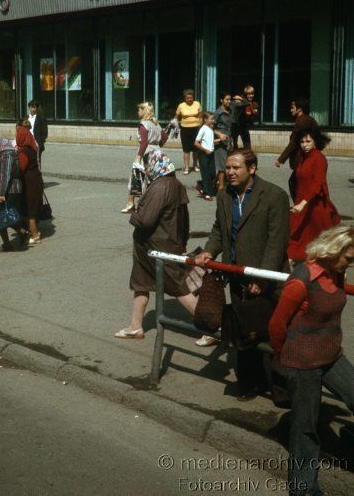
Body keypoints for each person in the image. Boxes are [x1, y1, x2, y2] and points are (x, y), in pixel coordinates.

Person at [195, 150, 290, 397]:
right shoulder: (225, 196)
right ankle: (249, 385)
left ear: (252, 168)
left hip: (267, 282)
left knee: (270, 334)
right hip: (237, 278)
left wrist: (261, 277)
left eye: (236, 167)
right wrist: (209, 251)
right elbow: (219, 229)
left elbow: (276, 243)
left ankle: (280, 390)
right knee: (243, 333)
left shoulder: (274, 196)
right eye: (228, 167)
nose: (230, 172)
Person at [268, 225, 354, 495]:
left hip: (331, 356)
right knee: (305, 429)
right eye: (348, 258)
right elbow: (277, 324)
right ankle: (303, 489)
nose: (350, 264)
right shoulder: (301, 279)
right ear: (333, 249)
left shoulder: (335, 272)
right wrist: (287, 358)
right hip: (302, 362)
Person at [114, 150, 197, 339]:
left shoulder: (159, 187)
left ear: (154, 165)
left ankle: (213, 327)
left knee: (178, 288)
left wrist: (133, 214)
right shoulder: (175, 184)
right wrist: (182, 241)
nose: (145, 171)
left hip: (157, 245)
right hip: (159, 244)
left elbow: (145, 220)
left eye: (146, 167)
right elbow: (184, 218)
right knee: (141, 283)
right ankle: (135, 325)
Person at [287, 128, 340, 262]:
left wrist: (303, 203)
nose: (304, 145)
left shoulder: (319, 158)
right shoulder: (303, 158)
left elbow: (318, 183)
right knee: (298, 236)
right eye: (302, 141)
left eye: (308, 141)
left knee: (318, 240)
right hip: (303, 203)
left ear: (315, 142)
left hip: (315, 206)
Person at [123, 102, 168, 213]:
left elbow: (144, 143)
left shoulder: (143, 124)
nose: (138, 112)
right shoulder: (156, 123)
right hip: (157, 152)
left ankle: (131, 204)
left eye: (139, 110)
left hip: (147, 152)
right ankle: (151, 204)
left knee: (136, 177)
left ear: (144, 111)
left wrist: (138, 157)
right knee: (152, 179)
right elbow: (165, 137)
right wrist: (158, 145)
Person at [275, 98, 319, 201]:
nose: (291, 110)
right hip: (310, 157)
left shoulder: (301, 122)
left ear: (299, 109)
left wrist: (281, 159)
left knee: (294, 183)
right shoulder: (310, 120)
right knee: (300, 183)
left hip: (302, 159)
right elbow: (319, 137)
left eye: (292, 107)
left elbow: (293, 143)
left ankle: (300, 207)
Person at [0, 136, 27, 252]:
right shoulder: (8, 153)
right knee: (6, 215)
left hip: (8, 189)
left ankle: (11, 241)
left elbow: (5, 175)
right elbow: (0, 166)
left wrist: (1, 193)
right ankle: (20, 233)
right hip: (11, 188)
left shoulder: (7, 155)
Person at [16, 119, 43, 244]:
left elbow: (20, 169)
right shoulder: (32, 147)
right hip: (36, 179)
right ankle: (32, 231)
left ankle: (35, 234)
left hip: (30, 182)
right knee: (33, 207)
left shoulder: (24, 152)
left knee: (30, 209)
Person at [175, 89, 203, 175]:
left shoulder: (197, 104)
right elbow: (176, 117)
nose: (190, 99)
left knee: (195, 149)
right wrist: (175, 125)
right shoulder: (181, 106)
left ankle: (195, 165)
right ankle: (186, 167)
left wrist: (201, 127)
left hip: (196, 129)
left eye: (191, 98)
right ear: (185, 98)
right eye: (188, 98)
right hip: (185, 129)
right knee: (186, 149)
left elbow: (200, 116)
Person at [193, 112, 218, 201]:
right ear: (205, 120)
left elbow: (210, 141)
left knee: (212, 174)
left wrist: (219, 140)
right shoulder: (203, 129)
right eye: (211, 119)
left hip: (211, 154)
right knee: (205, 174)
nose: (213, 120)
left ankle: (200, 184)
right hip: (203, 154)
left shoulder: (210, 129)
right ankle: (206, 193)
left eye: (213, 119)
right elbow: (196, 143)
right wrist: (205, 150)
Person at [212, 92, 233, 192]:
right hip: (220, 142)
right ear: (221, 100)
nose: (229, 101)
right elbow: (210, 127)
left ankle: (211, 183)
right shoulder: (218, 112)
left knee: (226, 163)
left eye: (230, 99)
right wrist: (219, 134)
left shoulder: (230, 111)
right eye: (227, 99)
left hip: (228, 140)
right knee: (221, 165)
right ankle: (221, 188)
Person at [230, 85, 259, 150]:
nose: (251, 95)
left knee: (247, 145)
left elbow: (255, 114)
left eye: (252, 94)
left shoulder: (254, 104)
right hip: (236, 126)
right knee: (234, 145)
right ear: (245, 94)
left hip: (244, 126)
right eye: (248, 94)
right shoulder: (240, 102)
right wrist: (241, 99)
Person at [27, 100, 48, 168]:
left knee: (37, 160)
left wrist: (40, 142)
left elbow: (45, 133)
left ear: (37, 108)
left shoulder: (41, 118)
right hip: (27, 142)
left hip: (36, 142)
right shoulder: (26, 118)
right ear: (29, 108)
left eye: (34, 107)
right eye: (31, 107)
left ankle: (37, 174)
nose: (33, 109)